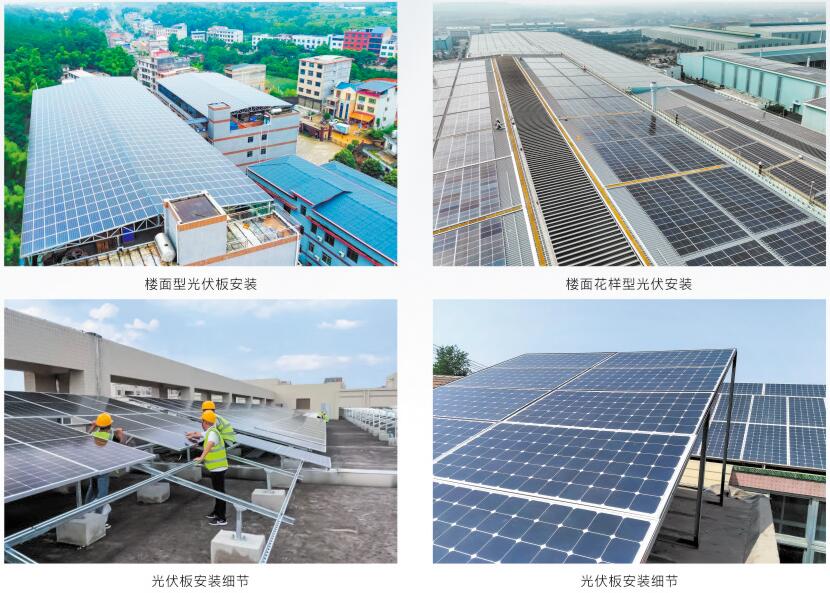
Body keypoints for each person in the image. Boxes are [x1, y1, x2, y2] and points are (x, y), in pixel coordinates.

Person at [86, 413, 125, 517]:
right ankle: (98, 514)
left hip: (92, 467)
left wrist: (93, 426)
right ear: (110, 425)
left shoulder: (93, 435)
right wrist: (120, 434)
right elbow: (122, 447)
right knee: (102, 493)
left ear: (99, 425)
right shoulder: (111, 437)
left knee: (93, 489)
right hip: (103, 469)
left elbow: (85, 437)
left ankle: (85, 510)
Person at [194, 410, 228, 526]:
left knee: (220, 493)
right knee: (217, 492)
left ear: (205, 422)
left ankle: (222, 518)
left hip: (218, 468)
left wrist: (201, 457)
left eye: (202, 421)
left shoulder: (212, 433)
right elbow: (201, 434)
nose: (201, 423)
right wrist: (192, 434)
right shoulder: (211, 431)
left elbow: (209, 444)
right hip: (216, 468)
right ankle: (216, 512)